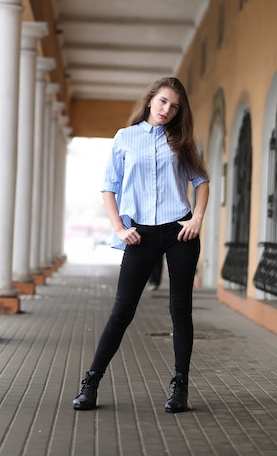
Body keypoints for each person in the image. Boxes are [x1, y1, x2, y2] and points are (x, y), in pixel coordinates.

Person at [72, 77, 209, 414]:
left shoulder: (180, 140)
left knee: (180, 312)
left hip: (180, 234)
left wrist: (197, 219)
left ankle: (180, 386)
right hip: (141, 234)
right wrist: (119, 228)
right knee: (122, 311)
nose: (167, 110)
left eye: (174, 106)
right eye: (163, 101)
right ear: (150, 101)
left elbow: (201, 181)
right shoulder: (125, 138)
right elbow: (109, 187)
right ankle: (91, 382)